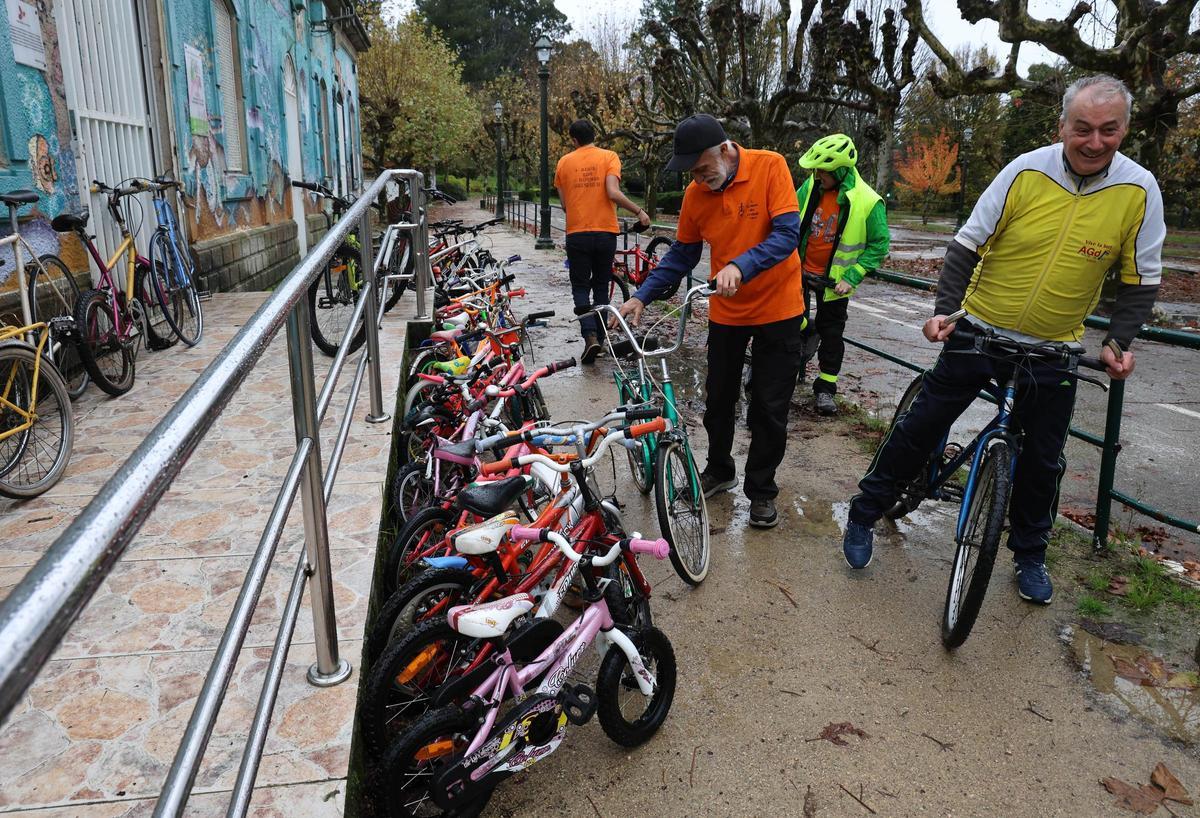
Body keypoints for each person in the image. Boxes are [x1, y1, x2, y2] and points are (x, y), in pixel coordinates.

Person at [841, 75, 1165, 606]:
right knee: (923, 424)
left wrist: (1118, 341)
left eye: (1109, 130)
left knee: (1043, 458)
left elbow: (1140, 278)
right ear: (1062, 126)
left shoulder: (1139, 189)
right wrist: (946, 312)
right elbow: (967, 244)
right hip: (980, 331)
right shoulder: (1024, 170)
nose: (1094, 141)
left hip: (1054, 347)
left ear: (1124, 129)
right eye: (1082, 128)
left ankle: (1031, 554)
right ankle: (864, 513)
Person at [615, 114, 805, 529]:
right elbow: (683, 254)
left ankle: (762, 490)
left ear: (724, 149)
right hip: (728, 311)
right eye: (692, 174)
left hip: (779, 308)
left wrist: (741, 264)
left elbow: (788, 234)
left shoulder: (770, 166)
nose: (699, 179)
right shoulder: (695, 195)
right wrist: (642, 295)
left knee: (769, 407)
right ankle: (719, 470)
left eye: (702, 169)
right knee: (718, 399)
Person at [794, 134, 890, 415]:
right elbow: (790, 215)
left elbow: (879, 244)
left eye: (822, 170)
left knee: (832, 335)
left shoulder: (868, 201)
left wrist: (854, 274)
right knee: (790, 322)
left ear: (839, 170)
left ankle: (825, 389)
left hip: (835, 282)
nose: (817, 174)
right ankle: (801, 342)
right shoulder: (811, 185)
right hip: (799, 271)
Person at [554, 119, 650, 364]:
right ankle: (601, 338)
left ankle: (590, 337)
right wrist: (639, 211)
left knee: (580, 287)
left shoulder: (564, 162)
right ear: (594, 135)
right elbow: (612, 192)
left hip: (577, 233)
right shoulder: (609, 157)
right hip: (605, 232)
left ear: (574, 140)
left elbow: (564, 205)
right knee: (600, 286)